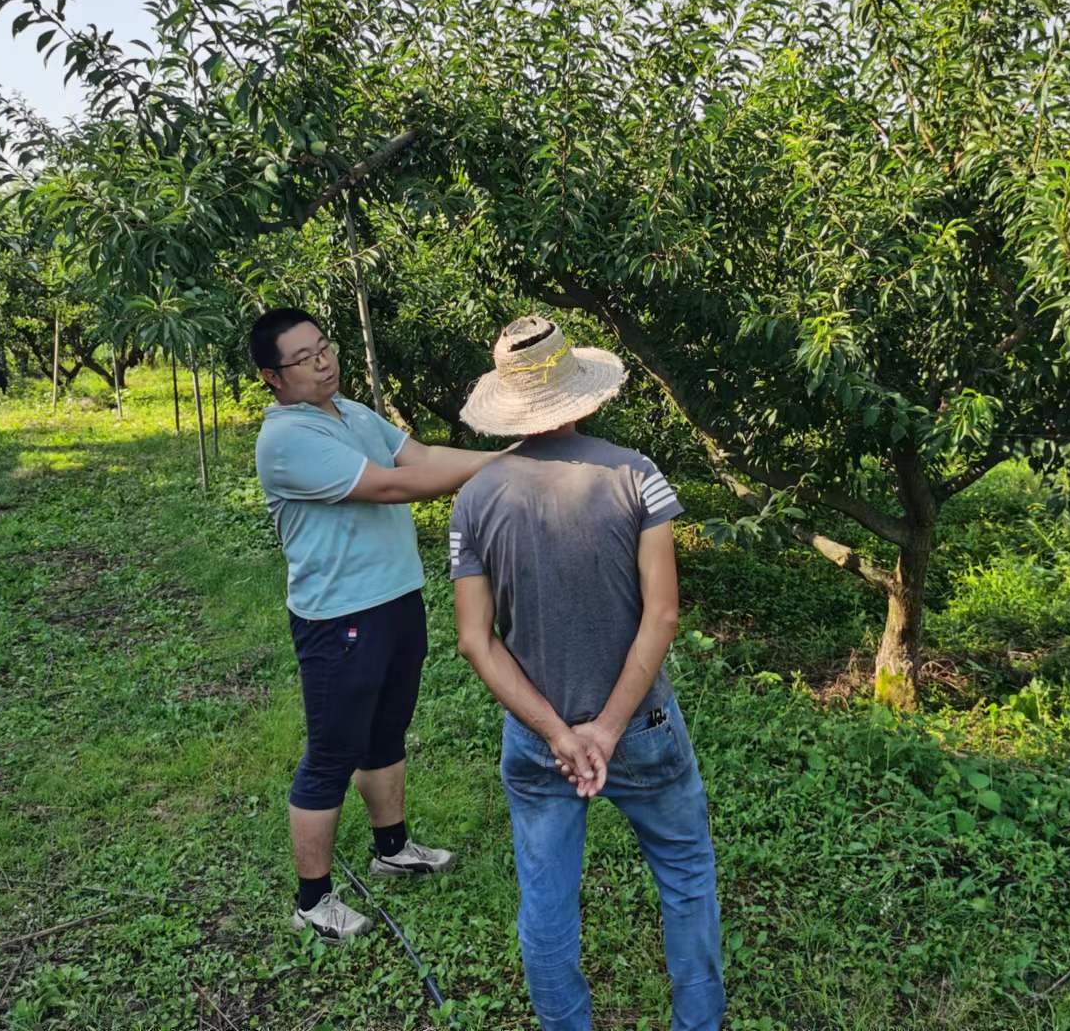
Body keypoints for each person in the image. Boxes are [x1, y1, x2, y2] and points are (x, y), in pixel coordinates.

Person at [450, 316, 725, 1031]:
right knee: (686, 875)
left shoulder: (475, 497)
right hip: (641, 726)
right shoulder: (636, 476)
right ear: (582, 393)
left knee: (547, 903)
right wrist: (606, 728)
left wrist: (558, 734)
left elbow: (476, 641)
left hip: (537, 738)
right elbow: (662, 615)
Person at [250, 306, 504, 942]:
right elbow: (393, 485)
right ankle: (313, 901)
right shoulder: (286, 440)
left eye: (324, 347)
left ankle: (392, 849)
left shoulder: (352, 413)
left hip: (395, 599)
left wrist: (497, 457)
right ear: (272, 377)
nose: (322, 363)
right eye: (303, 358)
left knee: (386, 731)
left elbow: (422, 454)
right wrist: (503, 465)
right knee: (332, 752)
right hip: (340, 615)